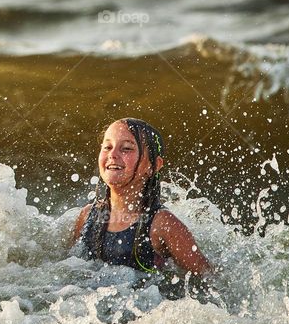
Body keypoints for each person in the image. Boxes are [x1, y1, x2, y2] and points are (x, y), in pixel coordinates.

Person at [68, 118, 212, 275]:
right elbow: (67, 268)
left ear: (153, 166)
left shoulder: (163, 225)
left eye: (127, 148)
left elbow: (209, 277)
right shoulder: (87, 216)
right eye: (107, 147)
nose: (113, 154)